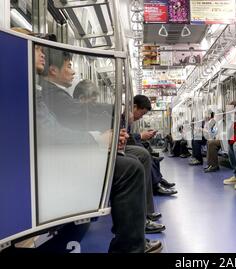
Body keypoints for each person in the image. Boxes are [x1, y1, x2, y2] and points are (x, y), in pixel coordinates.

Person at [23, 30, 161, 253]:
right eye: (37, 50)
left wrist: (105, 137)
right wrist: (100, 139)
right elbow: (55, 130)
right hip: (53, 162)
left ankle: (138, 229)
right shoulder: (42, 91)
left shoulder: (38, 90)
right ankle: (129, 246)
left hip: (56, 155)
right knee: (131, 166)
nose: (41, 55)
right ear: (53, 70)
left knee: (138, 157)